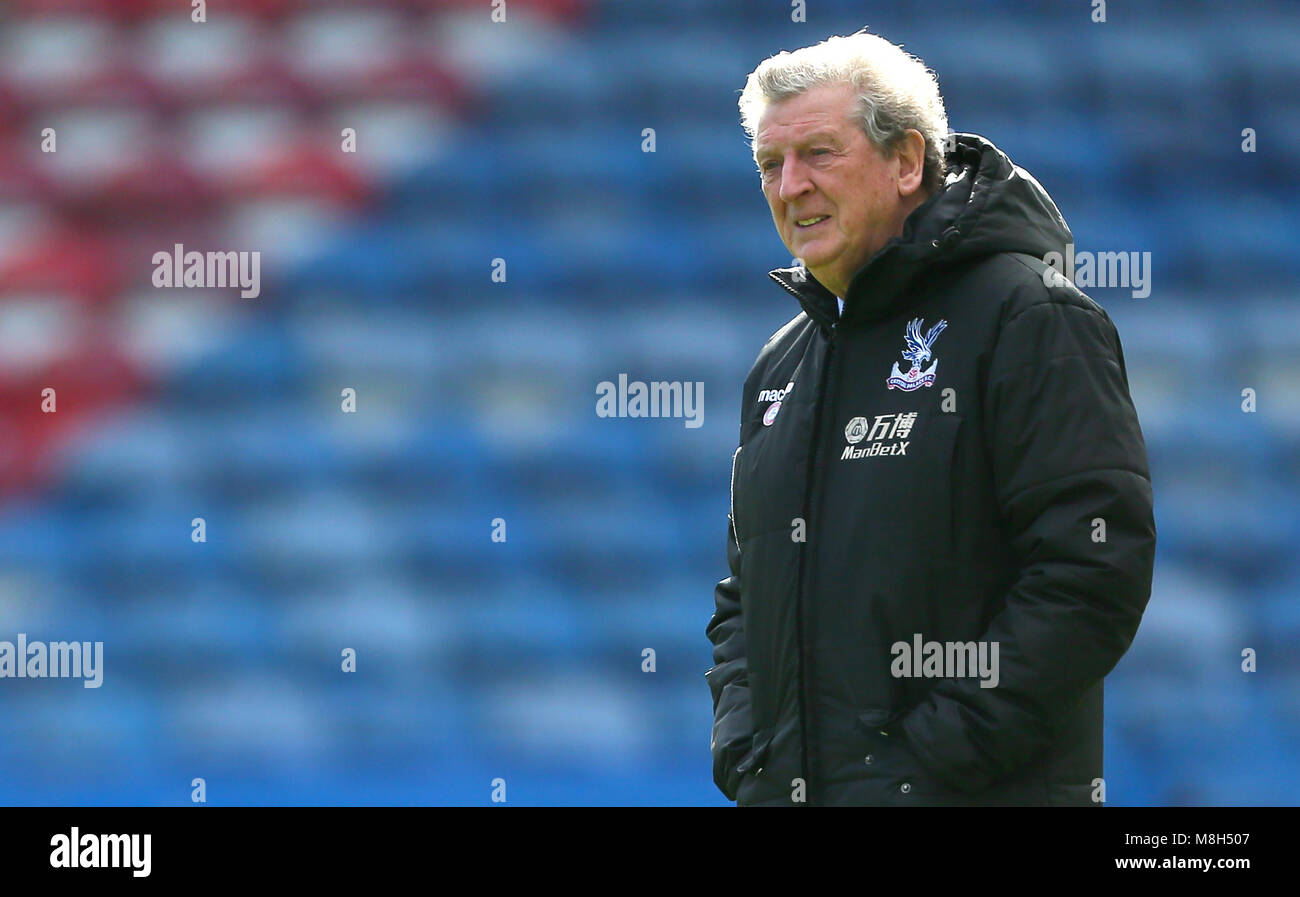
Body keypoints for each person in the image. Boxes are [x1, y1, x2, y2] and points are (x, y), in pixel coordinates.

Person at [706, 29, 1157, 807]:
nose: (789, 187)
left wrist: (922, 767)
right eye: (769, 165)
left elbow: (1091, 571)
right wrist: (751, 760)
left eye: (817, 152)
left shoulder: (1029, 317)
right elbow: (743, 599)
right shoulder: (781, 366)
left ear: (908, 161)